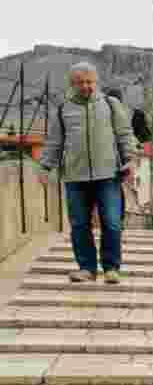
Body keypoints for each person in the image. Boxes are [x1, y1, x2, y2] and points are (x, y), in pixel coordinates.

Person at [37, 62, 136, 284]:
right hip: (75, 177)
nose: (86, 86)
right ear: (72, 84)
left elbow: (124, 135)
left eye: (90, 81)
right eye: (80, 82)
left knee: (111, 222)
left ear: (96, 81)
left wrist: (130, 160)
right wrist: (45, 167)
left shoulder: (111, 105)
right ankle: (86, 268)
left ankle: (111, 268)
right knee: (80, 223)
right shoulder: (63, 109)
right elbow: (54, 142)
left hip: (108, 175)